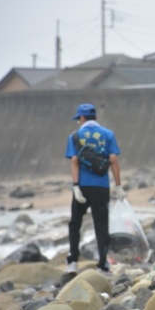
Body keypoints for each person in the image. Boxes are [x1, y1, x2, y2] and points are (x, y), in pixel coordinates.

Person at [64, 103, 125, 274]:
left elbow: (74, 162)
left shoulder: (75, 136)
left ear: (82, 118)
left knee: (75, 223)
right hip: (101, 187)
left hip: (82, 186)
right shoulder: (108, 134)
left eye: (78, 119)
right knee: (101, 225)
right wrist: (118, 186)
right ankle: (103, 264)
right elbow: (113, 160)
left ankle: (73, 263)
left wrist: (76, 186)